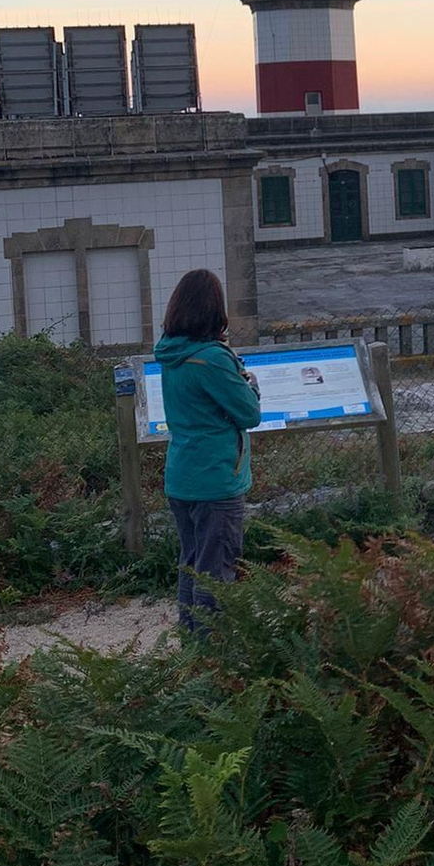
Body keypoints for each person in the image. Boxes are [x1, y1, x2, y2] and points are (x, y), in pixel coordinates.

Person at [154, 268, 262, 626]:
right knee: (216, 571)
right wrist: (250, 385)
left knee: (193, 564)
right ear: (215, 310)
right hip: (216, 480)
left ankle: (190, 643)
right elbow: (248, 413)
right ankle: (211, 652)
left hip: (182, 477)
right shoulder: (213, 358)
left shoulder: (171, 353)